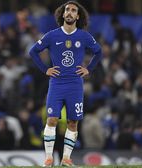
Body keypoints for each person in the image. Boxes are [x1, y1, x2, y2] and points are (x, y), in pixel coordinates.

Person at [29, 1, 102, 166]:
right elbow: (33, 51)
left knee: (73, 122)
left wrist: (88, 68)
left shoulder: (84, 36)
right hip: (57, 84)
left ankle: (66, 159)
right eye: (67, 10)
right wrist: (45, 69)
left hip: (75, 84)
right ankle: (48, 159)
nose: (69, 12)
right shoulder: (52, 35)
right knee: (52, 119)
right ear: (62, 14)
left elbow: (98, 51)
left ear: (78, 16)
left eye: (73, 10)